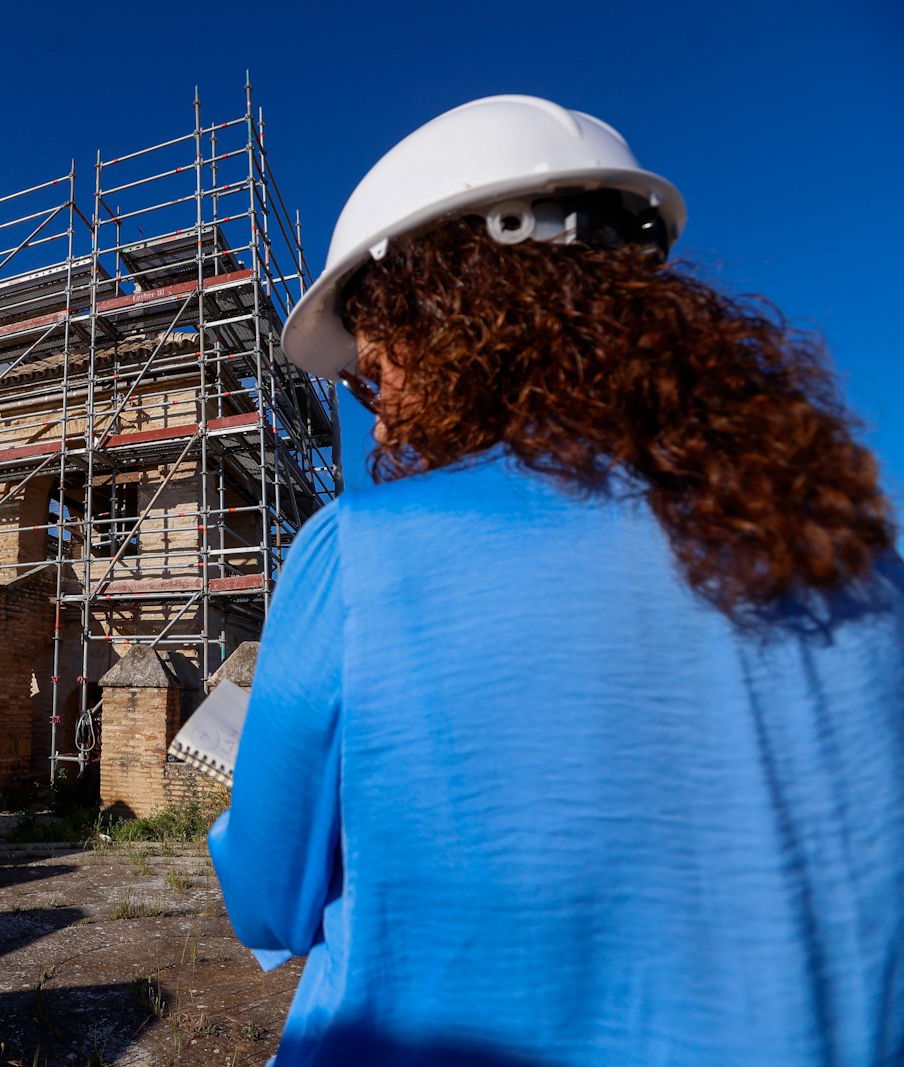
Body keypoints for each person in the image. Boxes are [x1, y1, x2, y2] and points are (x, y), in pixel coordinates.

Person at [209, 96, 904, 1065]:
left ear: (446, 311)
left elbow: (265, 898)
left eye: (374, 372)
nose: (379, 411)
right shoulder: (863, 565)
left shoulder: (359, 559)